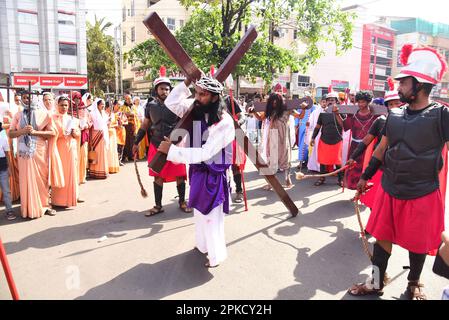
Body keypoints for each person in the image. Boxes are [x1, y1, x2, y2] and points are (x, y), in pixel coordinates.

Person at [348, 45, 449, 300]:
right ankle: (375, 281)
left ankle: (414, 283)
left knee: (417, 244)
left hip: (423, 191)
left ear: (420, 84)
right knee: (381, 237)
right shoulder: (393, 115)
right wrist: (364, 177)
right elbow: (382, 149)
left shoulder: (442, 116)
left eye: (404, 82)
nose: (398, 86)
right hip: (390, 187)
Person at [157, 75, 235, 268]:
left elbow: (206, 153)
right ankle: (202, 246)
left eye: (203, 94)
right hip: (198, 172)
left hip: (214, 175)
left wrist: (172, 151)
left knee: (211, 217)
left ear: (215, 97)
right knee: (199, 214)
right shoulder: (195, 109)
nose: (198, 98)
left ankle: (216, 256)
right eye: (197, 93)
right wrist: (186, 83)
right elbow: (171, 101)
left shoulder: (224, 122)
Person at [133, 76, 192, 215]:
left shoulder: (177, 105)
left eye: (167, 88)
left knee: (179, 175)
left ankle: (182, 202)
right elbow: (145, 125)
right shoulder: (150, 106)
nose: (164, 91)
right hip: (156, 144)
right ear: (156, 90)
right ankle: (158, 206)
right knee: (157, 176)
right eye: (161, 88)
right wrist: (136, 142)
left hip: (174, 144)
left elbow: (185, 123)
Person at [346, 79, 402, 209]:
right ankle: (372, 228)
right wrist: (353, 157)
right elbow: (366, 141)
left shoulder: (410, 123)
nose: (394, 107)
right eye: (391, 104)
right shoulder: (380, 121)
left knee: (392, 206)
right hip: (379, 166)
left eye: (397, 104)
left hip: (398, 170)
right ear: (386, 106)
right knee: (374, 201)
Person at [9, 91, 63, 218]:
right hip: (24, 154)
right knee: (25, 180)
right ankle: (27, 208)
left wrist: (35, 132)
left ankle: (44, 206)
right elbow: (11, 133)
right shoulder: (18, 115)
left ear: (34, 98)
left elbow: (52, 133)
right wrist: (22, 131)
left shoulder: (44, 114)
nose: (27, 99)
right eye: (24, 98)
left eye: (29, 97)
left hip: (39, 151)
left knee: (41, 180)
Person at [250, 93, 297, 189]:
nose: (274, 104)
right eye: (273, 102)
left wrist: (304, 109)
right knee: (272, 158)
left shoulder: (287, 109)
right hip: (273, 136)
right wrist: (254, 112)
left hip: (283, 137)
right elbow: (260, 118)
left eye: (276, 102)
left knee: (285, 157)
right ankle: (272, 182)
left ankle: (287, 179)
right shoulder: (270, 110)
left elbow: (300, 116)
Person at [337, 91, 378, 190]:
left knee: (367, 171)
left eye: (363, 102)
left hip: (369, 147)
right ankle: (357, 193)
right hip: (355, 147)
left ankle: (364, 194)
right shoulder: (353, 116)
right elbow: (344, 126)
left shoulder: (375, 116)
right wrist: (336, 114)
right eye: (358, 102)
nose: (360, 104)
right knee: (353, 170)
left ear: (368, 102)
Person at [310, 89, 345, 186]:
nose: (330, 101)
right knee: (322, 161)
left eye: (332, 100)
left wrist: (337, 113)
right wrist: (313, 138)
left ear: (336, 101)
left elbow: (344, 125)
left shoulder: (341, 112)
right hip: (324, 140)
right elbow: (317, 127)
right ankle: (322, 178)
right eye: (328, 99)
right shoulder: (322, 113)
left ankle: (340, 179)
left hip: (337, 140)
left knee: (338, 161)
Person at [51, 96, 80, 207]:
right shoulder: (52, 118)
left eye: (66, 105)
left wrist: (74, 132)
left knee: (70, 172)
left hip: (70, 148)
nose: (64, 107)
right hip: (58, 148)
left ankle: (71, 198)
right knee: (60, 172)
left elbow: (77, 135)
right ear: (57, 105)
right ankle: (58, 200)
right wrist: (62, 133)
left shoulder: (72, 119)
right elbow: (51, 133)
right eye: (62, 105)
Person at [223, 95, 246, 203]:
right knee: (220, 168)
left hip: (233, 138)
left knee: (236, 166)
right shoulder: (208, 100)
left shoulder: (229, 99)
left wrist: (239, 122)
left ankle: (239, 191)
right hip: (218, 140)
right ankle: (223, 193)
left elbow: (242, 116)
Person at [88, 99, 109, 179]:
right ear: (97, 105)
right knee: (96, 153)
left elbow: (105, 123)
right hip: (96, 134)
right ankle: (95, 172)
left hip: (103, 134)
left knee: (103, 152)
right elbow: (90, 124)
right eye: (101, 104)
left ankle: (103, 171)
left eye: (103, 104)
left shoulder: (104, 113)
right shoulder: (92, 114)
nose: (103, 106)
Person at [0, 122, 16, 220]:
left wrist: (10, 168)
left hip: (2, 166)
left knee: (6, 190)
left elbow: (7, 152)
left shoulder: (2, 133)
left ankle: (9, 210)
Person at [306, 97, 326, 173]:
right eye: (323, 102)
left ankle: (324, 169)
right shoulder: (315, 112)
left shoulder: (330, 111)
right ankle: (314, 167)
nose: (324, 103)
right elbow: (311, 123)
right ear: (320, 102)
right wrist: (309, 124)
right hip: (317, 135)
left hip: (326, 135)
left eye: (325, 102)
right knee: (315, 151)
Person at [76, 92, 91, 184]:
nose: (77, 100)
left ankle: (82, 177)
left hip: (84, 135)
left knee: (83, 155)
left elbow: (90, 122)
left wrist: (86, 125)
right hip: (74, 136)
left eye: (78, 98)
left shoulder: (85, 110)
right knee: (76, 157)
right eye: (75, 98)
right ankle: (75, 177)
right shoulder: (70, 109)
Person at [121, 94, 138, 162]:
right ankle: (126, 156)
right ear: (125, 99)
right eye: (127, 98)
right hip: (126, 126)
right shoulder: (122, 107)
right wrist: (129, 114)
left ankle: (132, 156)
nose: (129, 100)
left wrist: (130, 114)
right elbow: (122, 114)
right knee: (126, 141)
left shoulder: (133, 106)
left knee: (133, 141)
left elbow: (135, 114)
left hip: (133, 126)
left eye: (130, 98)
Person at [105, 102, 120, 174]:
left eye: (111, 107)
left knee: (113, 149)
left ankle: (113, 166)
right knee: (109, 149)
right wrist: (108, 122)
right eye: (109, 107)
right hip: (107, 132)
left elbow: (116, 123)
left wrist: (115, 124)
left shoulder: (113, 114)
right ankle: (108, 166)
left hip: (113, 132)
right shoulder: (104, 114)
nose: (111, 108)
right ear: (106, 107)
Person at [113, 100, 127, 166]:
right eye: (118, 104)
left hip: (121, 131)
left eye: (120, 105)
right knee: (115, 147)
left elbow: (126, 122)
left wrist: (122, 122)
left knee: (121, 147)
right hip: (114, 131)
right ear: (114, 105)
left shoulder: (121, 113)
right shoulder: (111, 113)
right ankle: (114, 161)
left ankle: (119, 160)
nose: (119, 106)